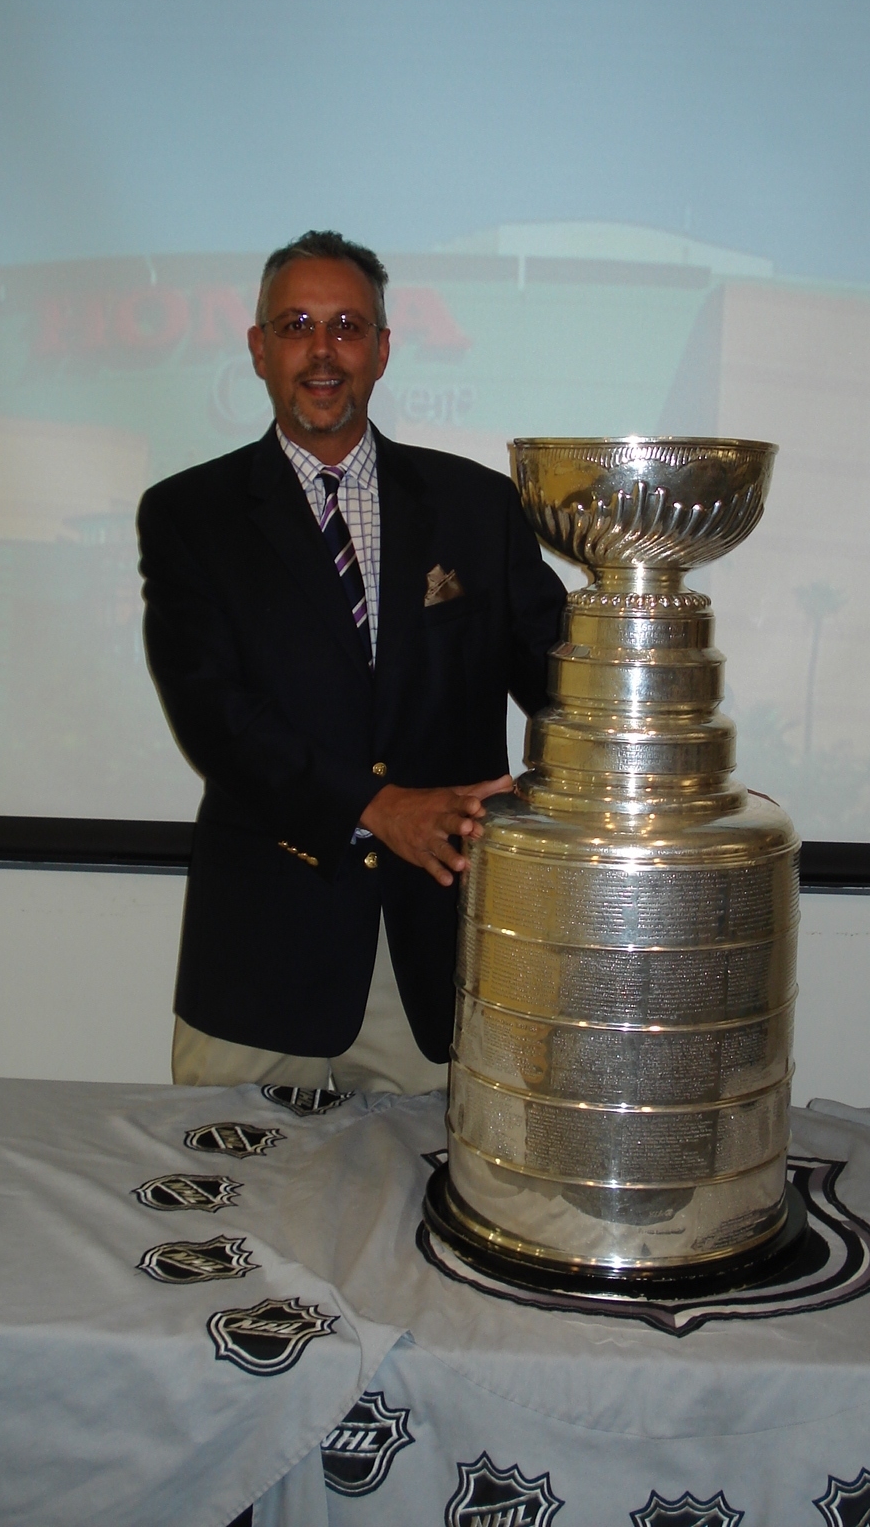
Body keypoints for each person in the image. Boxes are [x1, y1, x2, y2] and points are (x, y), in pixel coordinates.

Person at [137, 231, 566, 1094]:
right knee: (227, 1201)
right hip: (259, 962)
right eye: (297, 325)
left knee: (434, 1219)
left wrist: (625, 776)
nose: (323, 351)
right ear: (259, 348)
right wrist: (378, 807)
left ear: (381, 351)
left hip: (440, 961)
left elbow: (560, 682)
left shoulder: (477, 507)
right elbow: (215, 719)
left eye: (348, 326)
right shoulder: (190, 515)